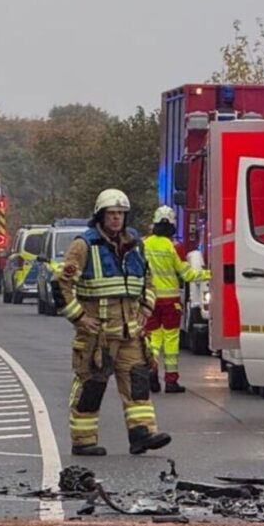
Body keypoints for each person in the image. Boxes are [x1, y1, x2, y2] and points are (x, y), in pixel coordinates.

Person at [57, 189, 173, 456]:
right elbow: (61, 285)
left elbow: (148, 281)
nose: (116, 219)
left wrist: (146, 306)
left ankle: (142, 434)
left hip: (130, 333)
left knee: (138, 384)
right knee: (91, 387)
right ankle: (84, 441)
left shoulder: (135, 244)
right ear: (100, 215)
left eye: (120, 214)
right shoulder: (84, 245)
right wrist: (79, 317)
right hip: (97, 338)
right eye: (111, 214)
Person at [142, 205, 210, 394]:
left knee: (153, 338)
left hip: (150, 300)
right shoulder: (174, 247)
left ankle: (151, 370)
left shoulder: (144, 244)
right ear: (172, 225)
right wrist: (208, 275)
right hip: (170, 301)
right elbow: (186, 274)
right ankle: (171, 381)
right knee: (171, 340)